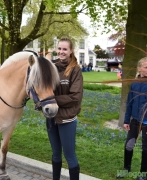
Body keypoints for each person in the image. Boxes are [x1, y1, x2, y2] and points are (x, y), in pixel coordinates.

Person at [118, 57, 147, 180]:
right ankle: (126, 169)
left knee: (145, 148)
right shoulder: (134, 83)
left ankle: (143, 175)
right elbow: (130, 102)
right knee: (129, 145)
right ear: (139, 68)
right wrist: (127, 120)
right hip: (135, 121)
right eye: (146, 67)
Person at [47, 38, 83, 180]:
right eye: (60, 48)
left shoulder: (75, 70)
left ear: (71, 51)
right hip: (51, 116)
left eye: (65, 49)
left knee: (70, 156)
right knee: (56, 153)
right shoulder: (51, 66)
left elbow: (75, 97)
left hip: (67, 118)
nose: (61, 52)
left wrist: (51, 101)